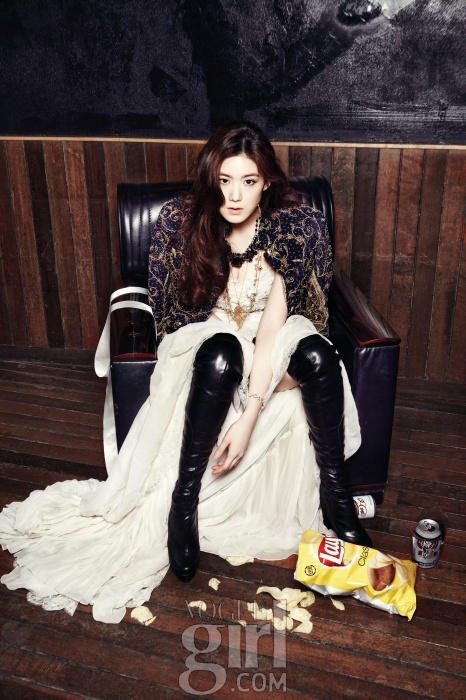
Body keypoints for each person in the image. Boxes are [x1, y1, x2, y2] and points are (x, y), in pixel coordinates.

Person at [0, 121, 370, 624]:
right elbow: (173, 322)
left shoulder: (292, 227)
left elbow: (274, 329)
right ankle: (184, 502)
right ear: (210, 177)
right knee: (222, 349)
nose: (234, 195)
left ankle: (337, 499)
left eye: (248, 181)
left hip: (268, 343)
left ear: (266, 182)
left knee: (318, 356)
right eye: (224, 180)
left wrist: (249, 414)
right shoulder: (180, 222)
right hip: (204, 345)